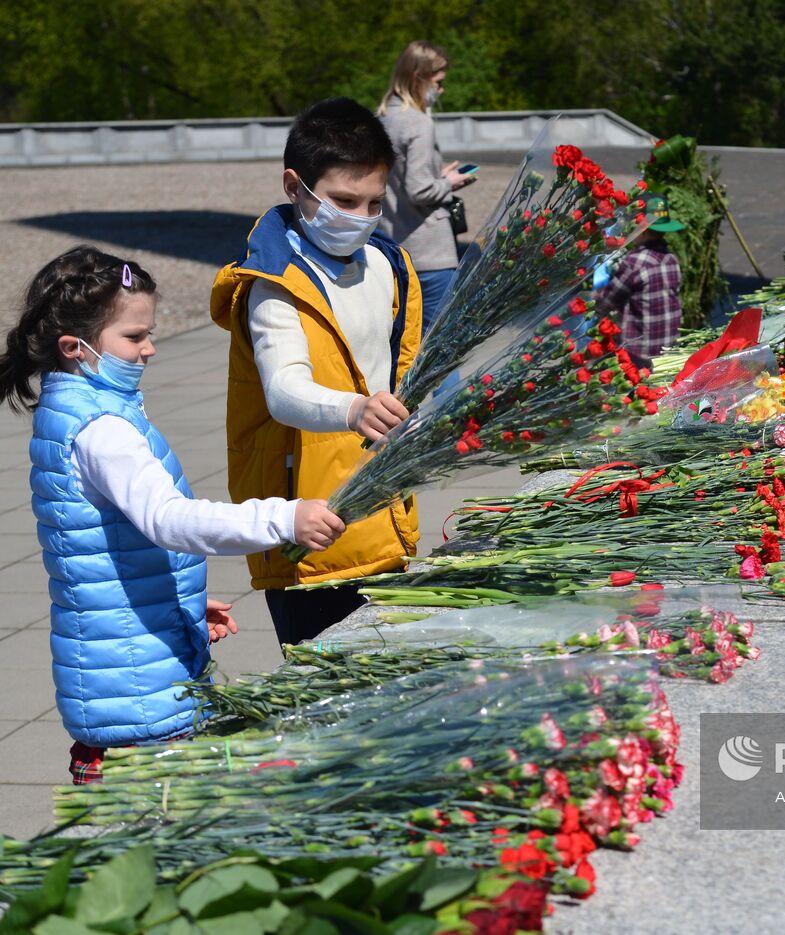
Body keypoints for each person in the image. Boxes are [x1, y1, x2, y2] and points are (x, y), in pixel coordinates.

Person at [0, 246, 345, 783]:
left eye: (150, 332)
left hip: (125, 672)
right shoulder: (102, 429)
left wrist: (172, 596)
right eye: (134, 337)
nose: (150, 348)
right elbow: (170, 520)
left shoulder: (75, 407)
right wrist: (284, 518)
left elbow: (102, 550)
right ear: (76, 347)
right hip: (139, 711)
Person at [210, 97, 424, 646]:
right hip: (310, 536)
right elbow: (283, 391)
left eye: (375, 202)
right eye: (343, 200)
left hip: (385, 520)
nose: (360, 217)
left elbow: (401, 377)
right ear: (294, 187)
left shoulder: (389, 265)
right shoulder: (271, 284)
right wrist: (354, 408)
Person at [378, 40, 475, 333]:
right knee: (440, 352)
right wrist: (449, 182)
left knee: (405, 349)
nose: (441, 90)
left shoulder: (381, 119)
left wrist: (439, 176)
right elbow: (419, 190)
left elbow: (397, 181)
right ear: (419, 78)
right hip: (429, 254)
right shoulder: (418, 123)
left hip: (392, 250)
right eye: (439, 82)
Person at [595, 194, 686, 371]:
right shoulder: (671, 259)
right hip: (667, 343)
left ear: (642, 230)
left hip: (640, 350)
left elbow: (606, 301)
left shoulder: (635, 262)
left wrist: (590, 296)